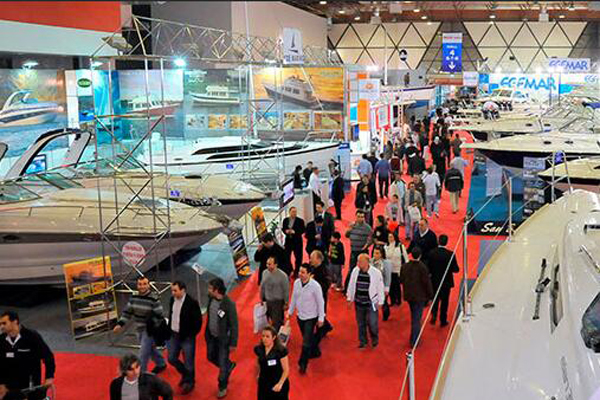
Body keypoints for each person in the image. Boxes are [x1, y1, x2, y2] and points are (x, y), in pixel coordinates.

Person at [114, 276, 166, 374]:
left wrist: (154, 326)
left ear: (148, 285)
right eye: (140, 284)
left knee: (143, 353)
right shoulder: (134, 298)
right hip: (139, 328)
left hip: (150, 330)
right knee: (150, 349)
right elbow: (127, 312)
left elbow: (160, 316)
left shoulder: (153, 298)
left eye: (144, 284)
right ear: (137, 285)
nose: (142, 286)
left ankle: (141, 374)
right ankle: (161, 363)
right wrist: (120, 324)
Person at [0, 311, 55, 400]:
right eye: (0, 324)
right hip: (11, 387)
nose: (1, 326)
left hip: (31, 385)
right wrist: (1, 384)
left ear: (15, 322)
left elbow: (48, 356)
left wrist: (49, 376)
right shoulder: (1, 340)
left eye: (4, 323)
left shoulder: (32, 336)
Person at [288, 264, 325, 374]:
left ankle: (302, 363)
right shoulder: (296, 283)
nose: (300, 274)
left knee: (306, 341)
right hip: (300, 316)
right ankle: (316, 351)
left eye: (303, 272)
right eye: (300, 271)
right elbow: (294, 298)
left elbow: (320, 302)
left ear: (309, 274)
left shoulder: (315, 286)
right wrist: (290, 311)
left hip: (311, 317)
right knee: (307, 337)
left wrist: (321, 318)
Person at [205, 278, 238, 399]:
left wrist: (233, 343)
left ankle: (222, 386)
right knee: (210, 357)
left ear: (217, 290)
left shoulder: (229, 304)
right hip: (211, 337)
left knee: (222, 365)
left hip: (223, 340)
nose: (208, 290)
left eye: (210, 288)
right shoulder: (211, 299)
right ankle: (229, 366)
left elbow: (234, 325)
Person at [167, 281, 202, 395]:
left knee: (189, 362)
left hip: (187, 338)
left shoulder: (192, 303)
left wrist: (191, 334)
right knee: (171, 358)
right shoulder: (172, 300)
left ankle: (189, 382)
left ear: (183, 290)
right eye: (172, 290)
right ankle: (186, 374)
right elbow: (171, 315)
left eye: (175, 290)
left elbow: (198, 322)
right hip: (174, 335)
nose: (173, 293)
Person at [346, 253, 385, 349]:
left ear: (367, 262)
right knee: (361, 323)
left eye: (360, 261)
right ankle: (363, 341)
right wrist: (349, 298)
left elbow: (380, 287)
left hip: (371, 303)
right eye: (358, 261)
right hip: (359, 302)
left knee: (372, 323)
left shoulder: (376, 273)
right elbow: (351, 284)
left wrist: (381, 301)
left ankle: (374, 338)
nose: (358, 263)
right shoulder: (355, 271)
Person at [400, 247, 433, 347]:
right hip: (419, 297)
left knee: (414, 316)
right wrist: (430, 296)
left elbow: (401, 280)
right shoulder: (422, 267)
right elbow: (427, 283)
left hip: (409, 296)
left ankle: (414, 338)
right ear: (420, 255)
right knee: (416, 318)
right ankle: (414, 340)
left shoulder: (405, 266)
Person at [427, 235, 460, 327]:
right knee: (445, 301)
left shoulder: (431, 253)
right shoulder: (450, 254)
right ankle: (443, 320)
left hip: (434, 281)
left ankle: (434, 315)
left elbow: (428, 267)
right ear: (447, 242)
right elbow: (456, 269)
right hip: (446, 282)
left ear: (438, 241)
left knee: (435, 299)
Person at [254, 326, 290, 400]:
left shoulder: (281, 351)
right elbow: (259, 363)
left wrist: (280, 384)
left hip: (277, 382)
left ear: (274, 337)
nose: (264, 339)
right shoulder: (259, 349)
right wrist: (258, 374)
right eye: (263, 336)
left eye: (267, 336)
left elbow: (286, 370)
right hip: (264, 382)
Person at [344, 210, 373, 291]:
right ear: (356, 217)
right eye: (359, 217)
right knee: (352, 269)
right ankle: (347, 288)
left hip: (363, 252)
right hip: (353, 251)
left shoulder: (367, 227)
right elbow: (346, 235)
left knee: (364, 269)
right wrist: (349, 229)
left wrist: (367, 245)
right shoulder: (352, 226)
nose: (360, 218)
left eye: (362, 217)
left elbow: (372, 238)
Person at [260, 256, 290, 333]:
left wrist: (286, 302)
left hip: (278, 302)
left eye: (270, 264)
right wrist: (261, 298)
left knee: (276, 321)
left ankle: (276, 335)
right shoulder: (264, 273)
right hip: (268, 300)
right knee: (270, 318)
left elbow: (286, 290)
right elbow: (262, 286)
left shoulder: (283, 276)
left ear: (276, 264)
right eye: (267, 264)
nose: (267, 266)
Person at [309, 250, 333, 342]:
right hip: (313, 296)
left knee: (319, 314)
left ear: (318, 259)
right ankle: (326, 327)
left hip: (321, 297)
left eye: (312, 258)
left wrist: (313, 282)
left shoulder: (324, 270)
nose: (310, 260)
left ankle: (320, 332)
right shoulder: (312, 267)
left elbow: (326, 285)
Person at [385, 232, 409, 306]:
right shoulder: (385, 246)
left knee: (397, 285)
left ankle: (398, 300)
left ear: (395, 237)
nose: (390, 239)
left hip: (398, 269)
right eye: (389, 237)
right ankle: (392, 300)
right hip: (389, 269)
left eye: (391, 237)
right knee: (390, 286)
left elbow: (406, 257)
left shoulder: (400, 246)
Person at [282, 207, 305, 276]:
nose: (294, 213)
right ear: (289, 212)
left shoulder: (300, 221)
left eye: (295, 212)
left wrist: (295, 232)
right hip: (288, 241)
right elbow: (283, 228)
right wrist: (286, 231)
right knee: (286, 256)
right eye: (293, 212)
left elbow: (303, 230)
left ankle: (297, 271)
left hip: (297, 242)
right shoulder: (285, 220)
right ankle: (290, 269)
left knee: (298, 258)